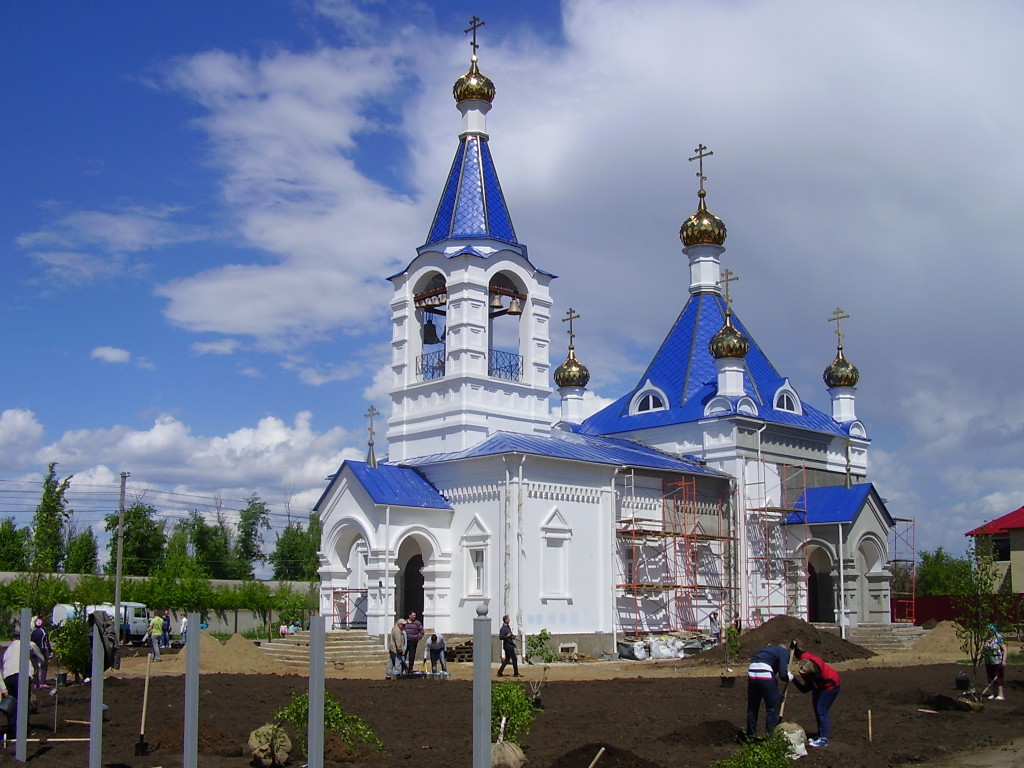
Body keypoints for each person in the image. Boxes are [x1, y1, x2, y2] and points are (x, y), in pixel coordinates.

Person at [791, 640, 841, 748]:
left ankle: (823, 739)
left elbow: (804, 689)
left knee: (821, 710)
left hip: (830, 687)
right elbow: (798, 652)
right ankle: (819, 734)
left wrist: (793, 679)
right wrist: (794, 646)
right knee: (817, 709)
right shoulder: (806, 658)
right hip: (820, 687)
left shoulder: (815, 677)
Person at [1, 630, 45, 737]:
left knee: (13, 703)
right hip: (21, 675)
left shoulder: (8, 650)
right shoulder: (24, 643)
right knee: (24, 703)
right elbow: (34, 646)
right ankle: (24, 730)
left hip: (8, 677)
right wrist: (42, 661)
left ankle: (12, 729)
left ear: (12, 639)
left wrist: (3, 687)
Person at [746, 643, 792, 738]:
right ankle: (770, 737)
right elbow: (782, 675)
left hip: (752, 672)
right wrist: (789, 677)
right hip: (765, 673)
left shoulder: (765, 650)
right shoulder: (784, 652)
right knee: (772, 707)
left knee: (752, 708)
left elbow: (773, 672)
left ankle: (750, 736)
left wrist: (777, 694)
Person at [982, 624, 1006, 701]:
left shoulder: (998, 638)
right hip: (988, 661)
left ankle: (1000, 694)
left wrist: (1004, 660)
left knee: (998, 677)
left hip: (997, 660)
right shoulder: (986, 638)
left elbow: (1004, 649)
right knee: (990, 677)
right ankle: (993, 693)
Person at [29, 618, 52, 688]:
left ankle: (36, 683)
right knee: (44, 666)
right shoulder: (44, 632)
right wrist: (50, 651)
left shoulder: (32, 632)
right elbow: (47, 642)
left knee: (35, 666)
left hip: (33, 650)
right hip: (42, 650)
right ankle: (42, 682)